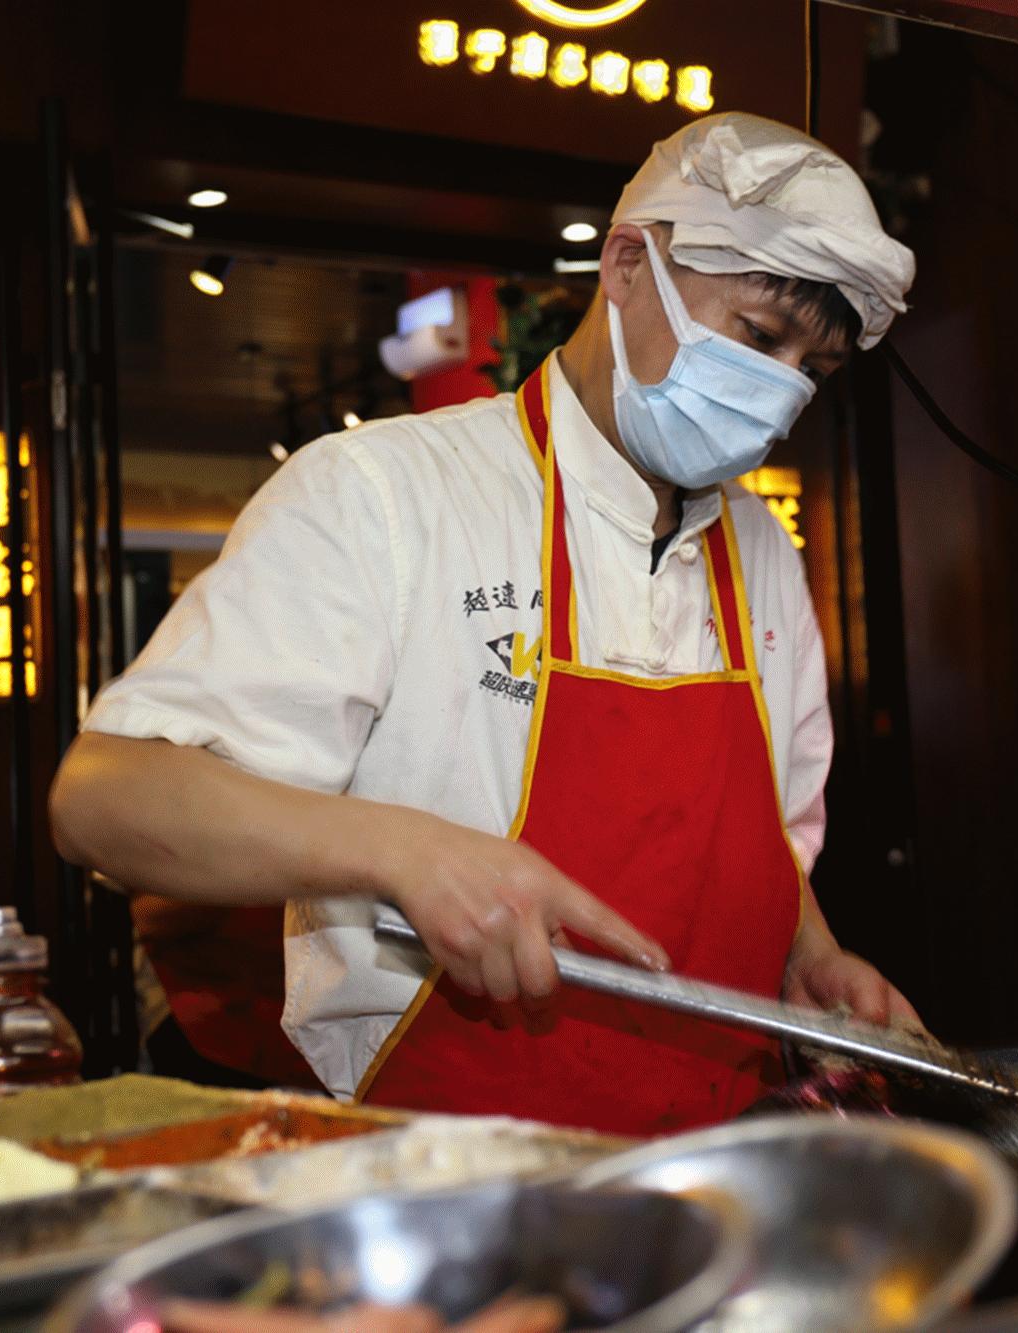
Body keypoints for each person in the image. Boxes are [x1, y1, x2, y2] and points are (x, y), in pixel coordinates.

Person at [50, 112, 920, 1135]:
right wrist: (404, 851)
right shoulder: (385, 492)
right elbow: (103, 799)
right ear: (627, 263)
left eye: (810, 372)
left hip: (709, 1168)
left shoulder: (763, 554)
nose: (778, 395)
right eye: (757, 337)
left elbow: (765, 841)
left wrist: (806, 955)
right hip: (438, 1173)